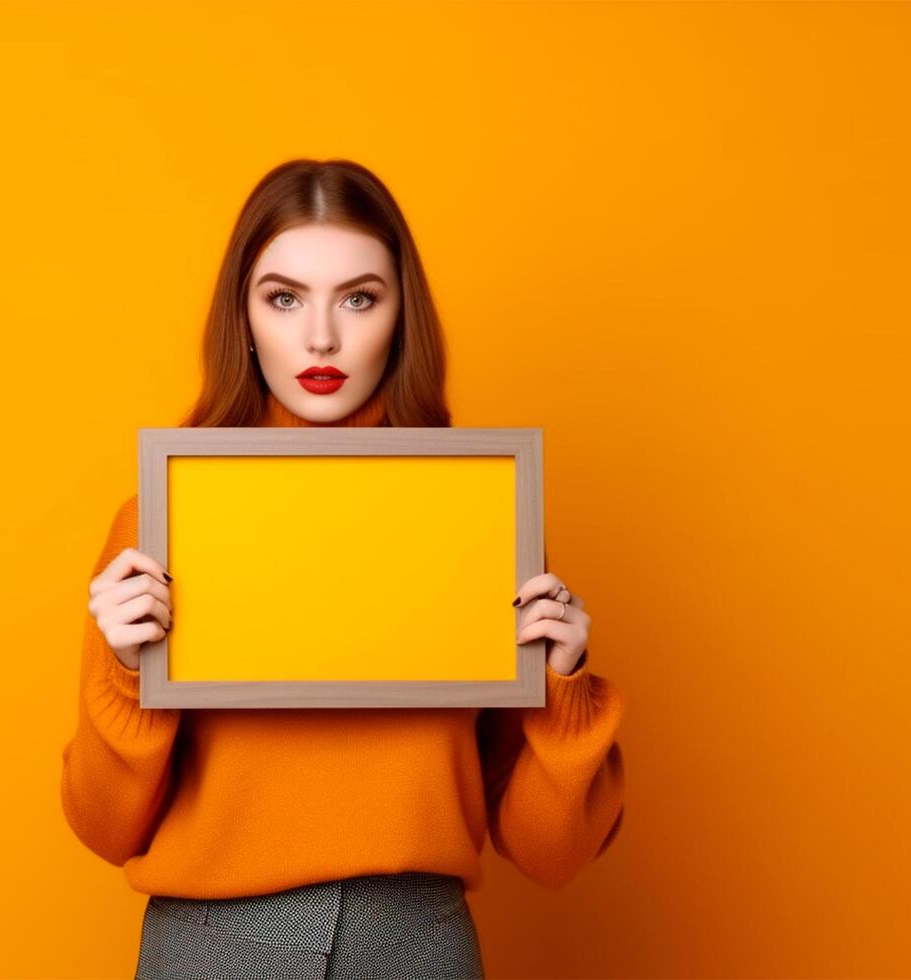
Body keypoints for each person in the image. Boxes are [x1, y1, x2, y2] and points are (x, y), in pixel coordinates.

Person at [59, 159, 626, 980]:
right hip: (211, 950)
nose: (321, 338)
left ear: (401, 318)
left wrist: (565, 690)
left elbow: (551, 855)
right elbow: (104, 829)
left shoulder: (482, 513)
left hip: (419, 945)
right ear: (243, 319)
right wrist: (121, 674)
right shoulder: (160, 520)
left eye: (359, 298)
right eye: (284, 298)